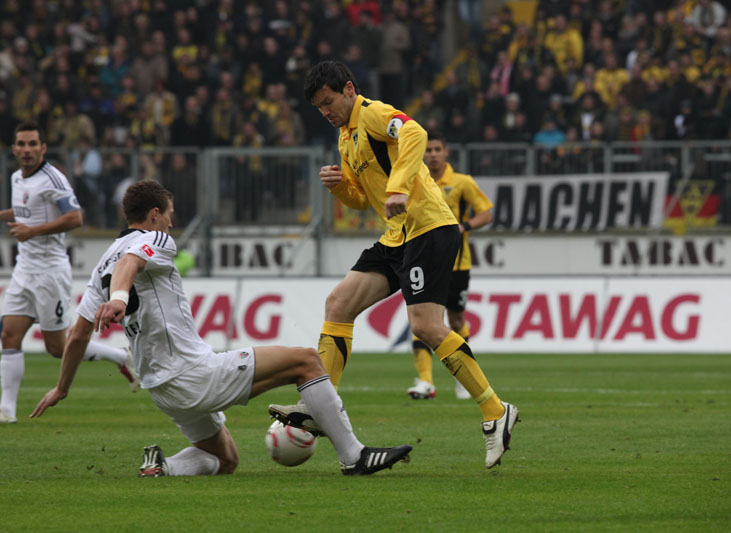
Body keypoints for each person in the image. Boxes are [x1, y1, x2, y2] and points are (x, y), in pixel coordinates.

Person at [31, 180, 411, 477]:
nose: (172, 223)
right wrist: (118, 297)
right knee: (308, 361)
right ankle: (354, 457)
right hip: (193, 374)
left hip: (161, 389)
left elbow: (77, 335)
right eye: (169, 214)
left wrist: (62, 388)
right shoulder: (154, 239)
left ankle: (163, 466)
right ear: (154, 214)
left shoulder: (101, 264)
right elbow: (131, 263)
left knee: (226, 460)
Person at [268, 61, 518, 469]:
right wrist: (340, 187)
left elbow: (415, 132)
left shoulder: (372, 113)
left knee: (426, 326)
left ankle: (495, 410)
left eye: (329, 102)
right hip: (397, 235)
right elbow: (360, 198)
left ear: (349, 90)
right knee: (338, 305)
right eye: (319, 107)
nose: (326, 111)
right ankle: (319, 407)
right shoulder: (345, 137)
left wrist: (400, 188)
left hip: (429, 227)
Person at [0, 122, 137, 425]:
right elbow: (23, 212)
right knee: (9, 335)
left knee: (57, 348)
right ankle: (6, 412)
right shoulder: (16, 178)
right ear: (13, 149)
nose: (26, 150)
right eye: (21, 144)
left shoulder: (53, 179)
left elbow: (75, 217)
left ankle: (119, 356)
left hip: (49, 272)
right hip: (24, 268)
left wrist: (32, 231)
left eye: (32, 144)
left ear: (43, 148)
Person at [406, 132, 494, 401]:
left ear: (446, 152)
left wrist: (463, 226)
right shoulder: (413, 179)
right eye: (428, 150)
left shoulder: (462, 182)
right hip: (424, 261)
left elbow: (486, 213)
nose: (432, 154)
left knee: (456, 321)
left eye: (437, 149)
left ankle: (462, 378)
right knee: (421, 320)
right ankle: (425, 381)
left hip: (457, 264)